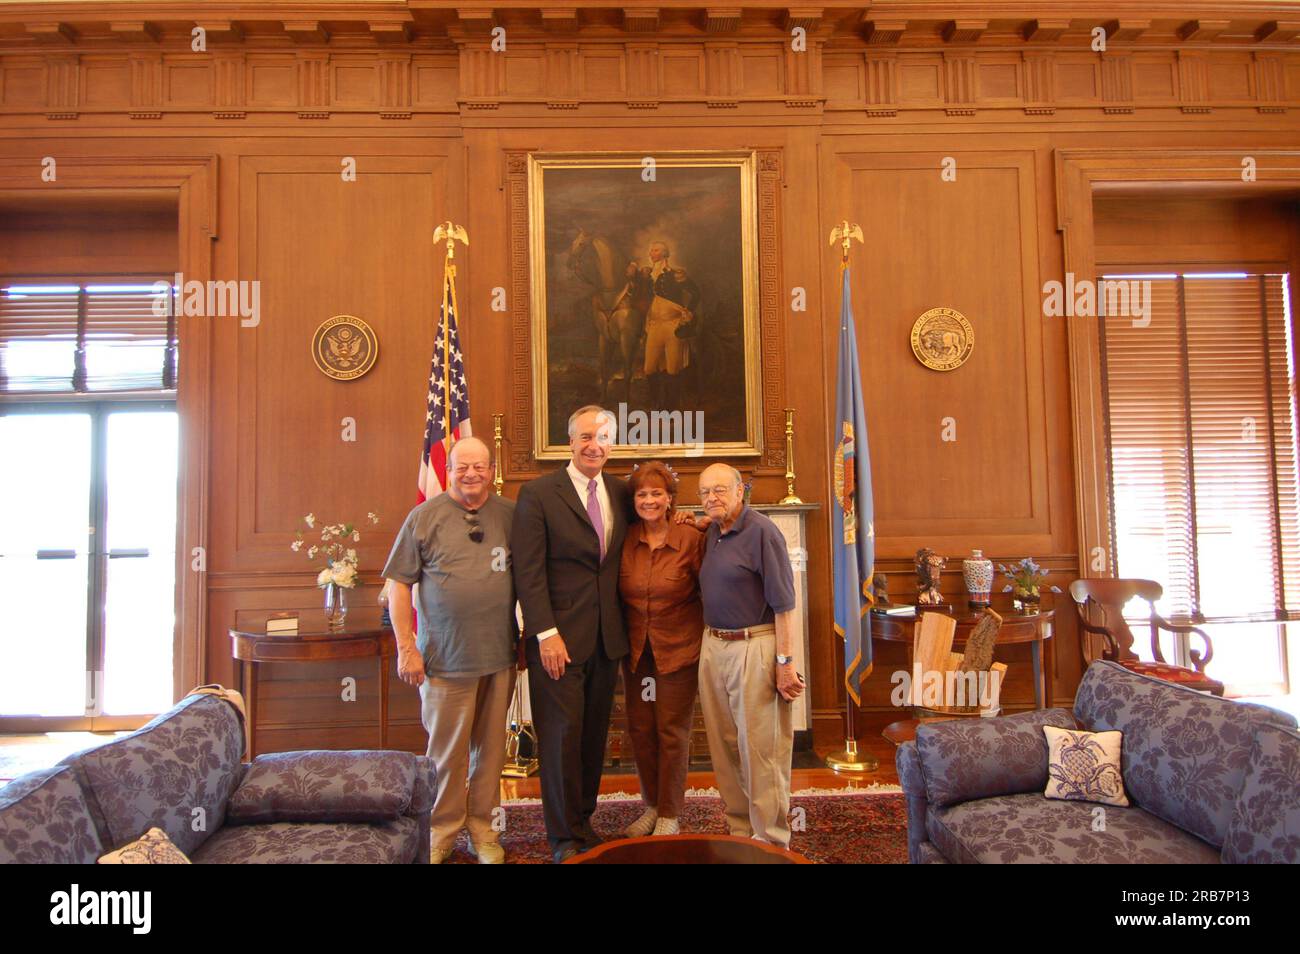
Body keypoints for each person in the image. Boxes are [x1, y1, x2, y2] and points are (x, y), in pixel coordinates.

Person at [381, 436, 518, 865]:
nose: (472, 474)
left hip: (500, 657)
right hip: (444, 658)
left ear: (491, 469)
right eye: (463, 467)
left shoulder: (513, 516)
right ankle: (441, 831)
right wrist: (407, 648)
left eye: (480, 466)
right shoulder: (424, 516)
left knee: (490, 751)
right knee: (446, 754)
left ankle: (483, 829)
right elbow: (398, 584)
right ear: (450, 470)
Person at [511, 405, 631, 863]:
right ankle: (563, 839)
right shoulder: (539, 494)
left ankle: (583, 823)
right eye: (584, 437)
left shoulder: (620, 492)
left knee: (591, 737)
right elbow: (528, 571)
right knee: (561, 738)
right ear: (569, 442)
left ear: (611, 444)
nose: (593, 445)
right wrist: (545, 632)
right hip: (557, 640)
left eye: (602, 437)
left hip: (606, 639)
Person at [695, 462, 803, 847]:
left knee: (761, 749)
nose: (712, 498)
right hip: (714, 647)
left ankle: (772, 841)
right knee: (725, 748)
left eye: (720, 490)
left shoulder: (762, 533)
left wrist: (785, 664)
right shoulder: (712, 532)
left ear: (741, 491)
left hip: (754, 646)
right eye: (705, 492)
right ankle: (742, 834)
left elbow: (785, 607)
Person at [618, 461, 706, 837]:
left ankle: (671, 812)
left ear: (670, 499)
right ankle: (651, 806)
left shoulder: (690, 537)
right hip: (636, 652)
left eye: (657, 493)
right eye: (642, 494)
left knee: (671, 731)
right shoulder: (624, 538)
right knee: (641, 729)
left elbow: (710, 591)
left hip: (679, 651)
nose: (649, 500)